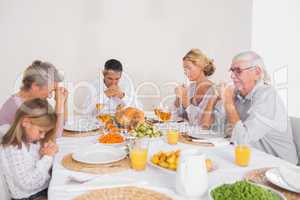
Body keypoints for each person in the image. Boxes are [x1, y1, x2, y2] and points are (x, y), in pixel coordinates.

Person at [203, 51, 298, 164]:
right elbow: (216, 130)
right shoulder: (237, 94)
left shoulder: (268, 96)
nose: (232, 76)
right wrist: (216, 99)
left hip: (280, 168)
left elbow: (242, 141)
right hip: (253, 160)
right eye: (232, 71)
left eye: (238, 70)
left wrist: (228, 103)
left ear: (257, 72)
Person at [0, 99, 59, 200]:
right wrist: (47, 158)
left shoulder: (31, 141)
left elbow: (39, 172)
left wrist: (43, 154)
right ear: (26, 122)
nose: (42, 136)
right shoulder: (13, 148)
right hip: (31, 197)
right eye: (41, 131)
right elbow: (28, 184)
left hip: (42, 191)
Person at [0, 60, 68, 137]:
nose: (50, 96)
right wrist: (59, 105)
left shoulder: (35, 101)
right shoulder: (19, 107)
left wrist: (63, 102)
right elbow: (55, 135)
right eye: (50, 91)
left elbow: (60, 124)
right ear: (35, 86)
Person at [174, 48, 216, 125]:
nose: (185, 72)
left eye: (189, 68)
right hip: (189, 134)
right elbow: (179, 116)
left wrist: (184, 99)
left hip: (206, 136)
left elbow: (201, 123)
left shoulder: (214, 91)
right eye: (184, 68)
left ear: (201, 66)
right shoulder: (191, 88)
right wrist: (178, 98)